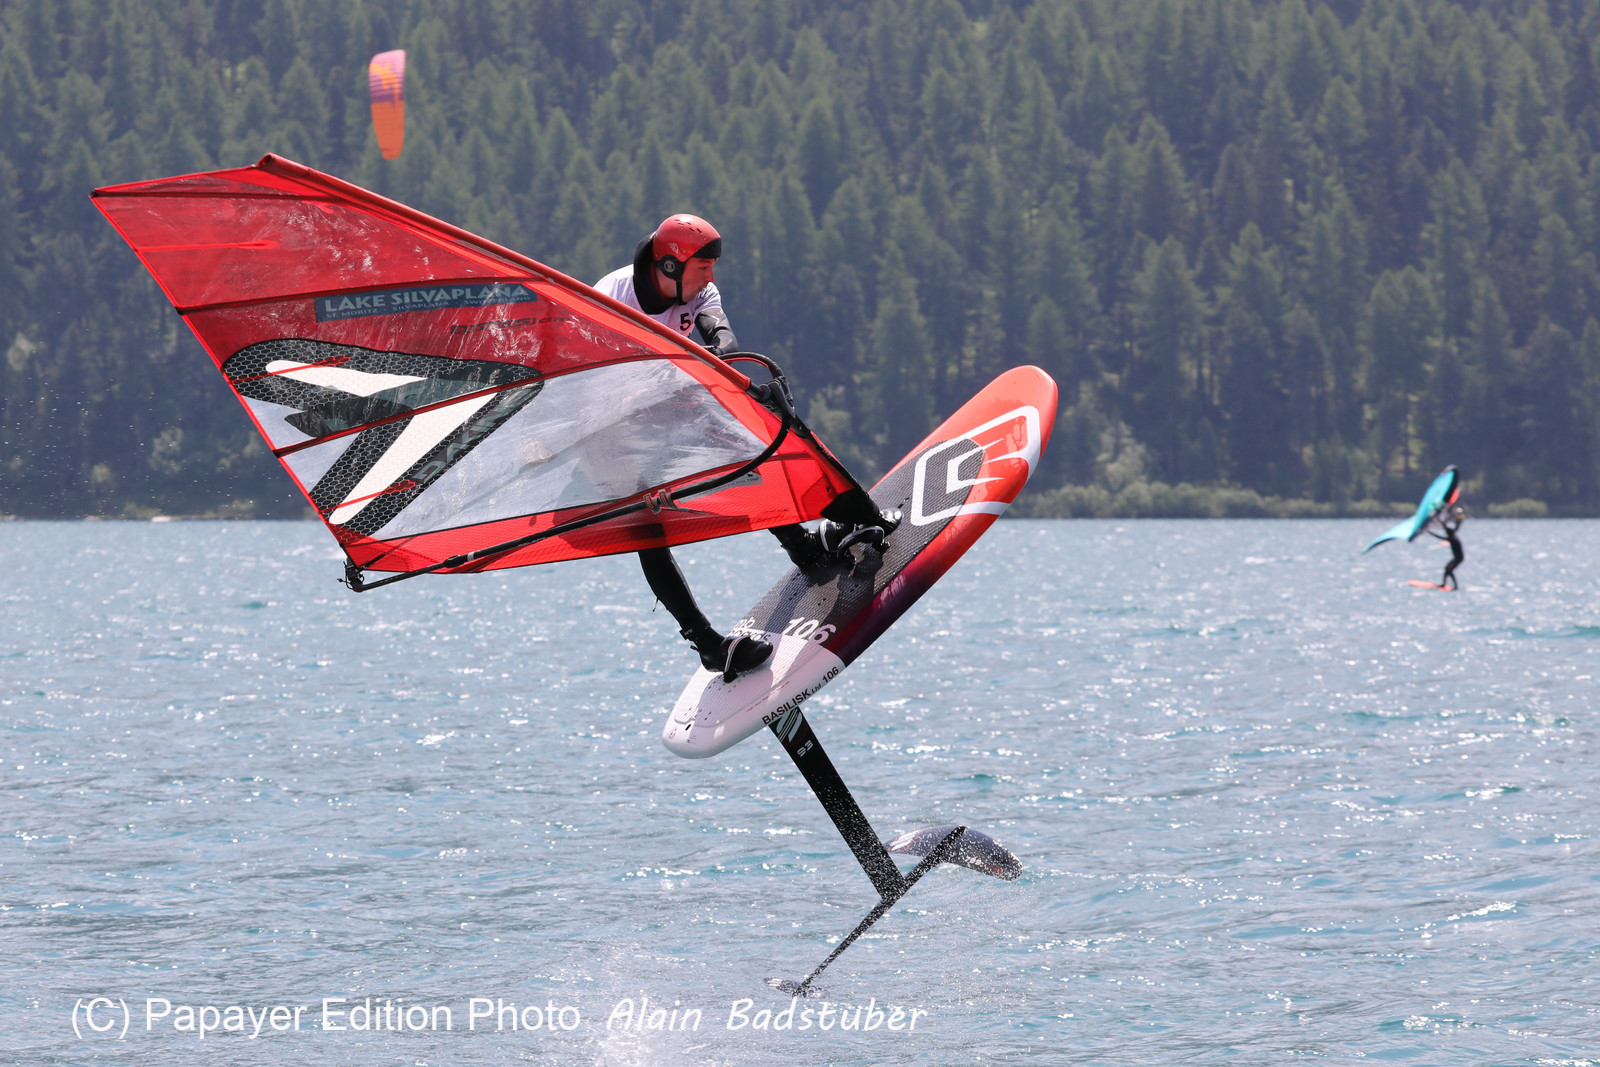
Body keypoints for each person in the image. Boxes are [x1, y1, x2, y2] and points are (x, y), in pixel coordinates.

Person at [594, 214, 888, 681]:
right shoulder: (609, 304)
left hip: (664, 404)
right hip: (602, 429)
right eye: (702, 268)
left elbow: (722, 340)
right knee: (649, 531)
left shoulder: (696, 289)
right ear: (669, 268)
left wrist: (727, 373)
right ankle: (708, 645)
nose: (711, 276)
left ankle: (803, 548)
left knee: (749, 443)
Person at [1425, 505, 1465, 590]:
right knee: (1447, 569)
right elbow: (1445, 527)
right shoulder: (1453, 534)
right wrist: (1440, 520)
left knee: (1449, 570)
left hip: (1458, 558)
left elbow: (1440, 537)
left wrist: (1429, 532)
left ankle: (1454, 586)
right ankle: (1445, 584)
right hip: (1458, 557)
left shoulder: (1452, 538)